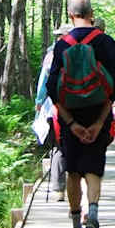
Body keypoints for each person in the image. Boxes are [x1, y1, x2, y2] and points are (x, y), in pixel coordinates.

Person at [45, 0, 115, 228]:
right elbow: (114, 86)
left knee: (73, 172)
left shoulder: (62, 45)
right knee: (94, 169)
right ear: (92, 13)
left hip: (70, 118)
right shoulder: (106, 42)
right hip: (98, 113)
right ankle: (95, 216)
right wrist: (100, 123)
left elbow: (52, 88)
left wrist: (71, 123)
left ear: (70, 15)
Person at [34, 24, 70, 200]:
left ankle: (58, 189)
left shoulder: (52, 55)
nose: (57, 39)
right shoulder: (84, 53)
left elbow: (44, 80)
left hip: (55, 107)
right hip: (79, 107)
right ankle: (72, 188)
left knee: (59, 146)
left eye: (60, 36)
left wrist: (39, 101)